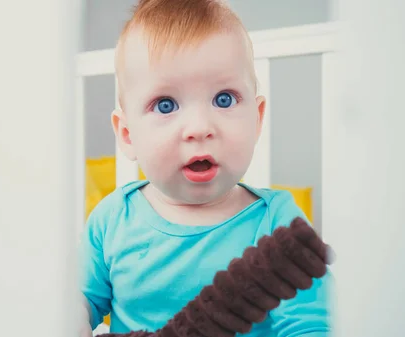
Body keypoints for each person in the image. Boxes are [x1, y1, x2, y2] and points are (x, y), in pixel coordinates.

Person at [79, 0, 333, 336]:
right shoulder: (111, 220)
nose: (199, 127)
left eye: (224, 99)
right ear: (127, 135)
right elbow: (78, 303)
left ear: (257, 119)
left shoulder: (276, 222)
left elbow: (310, 327)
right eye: (165, 105)